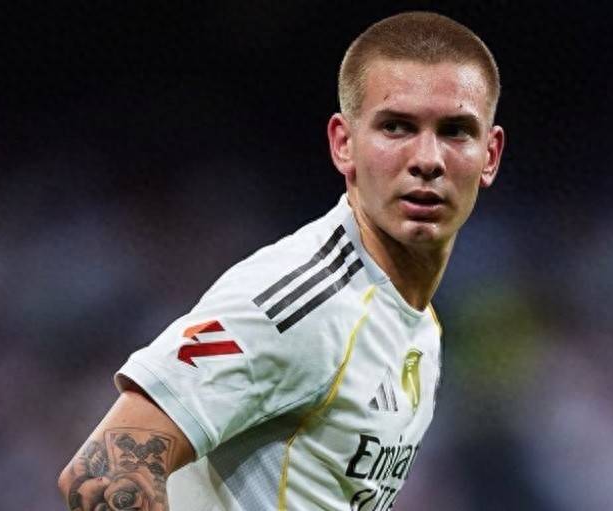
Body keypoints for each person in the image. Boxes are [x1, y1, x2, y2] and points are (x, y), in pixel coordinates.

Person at [58, 11, 504, 511]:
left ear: (490, 155)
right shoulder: (299, 302)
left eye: (455, 131)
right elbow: (102, 472)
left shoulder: (415, 323)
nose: (427, 159)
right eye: (396, 127)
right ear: (343, 144)